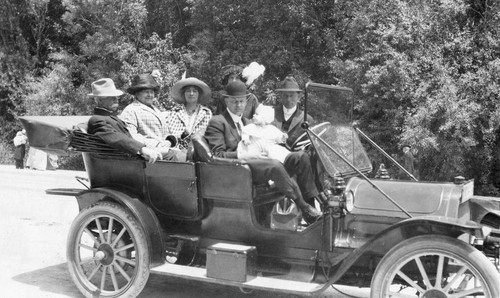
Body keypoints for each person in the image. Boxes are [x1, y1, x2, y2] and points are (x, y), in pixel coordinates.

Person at [204, 80, 322, 224]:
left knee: (300, 157)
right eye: (234, 101)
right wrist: (244, 155)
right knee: (275, 165)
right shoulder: (217, 121)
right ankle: (304, 207)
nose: (239, 105)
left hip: (258, 163)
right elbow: (216, 155)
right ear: (226, 101)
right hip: (237, 169)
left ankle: (316, 200)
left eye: (241, 101)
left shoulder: (248, 122)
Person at [86, 78, 163, 163]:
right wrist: (141, 149)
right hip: (124, 163)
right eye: (110, 97)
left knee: (174, 154)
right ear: (98, 100)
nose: (116, 99)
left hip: (132, 159)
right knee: (174, 155)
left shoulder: (111, 117)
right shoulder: (97, 120)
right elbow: (116, 138)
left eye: (115, 96)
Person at [120, 74, 183, 161]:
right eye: (146, 92)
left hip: (164, 150)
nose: (150, 95)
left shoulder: (156, 110)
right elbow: (131, 136)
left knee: (189, 155)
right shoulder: (131, 110)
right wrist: (155, 145)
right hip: (147, 154)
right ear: (136, 93)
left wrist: (169, 141)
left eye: (151, 92)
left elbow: (165, 132)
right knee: (180, 158)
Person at [167, 77, 212, 153]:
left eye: (194, 91)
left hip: (198, 151)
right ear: (183, 94)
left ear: (199, 94)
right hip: (177, 151)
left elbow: (208, 136)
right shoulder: (175, 112)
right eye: (188, 91)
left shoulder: (206, 113)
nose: (191, 94)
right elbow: (171, 134)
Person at [273, 76, 314, 149]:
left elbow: (310, 147)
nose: (288, 99)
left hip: (295, 158)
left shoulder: (307, 119)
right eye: (285, 96)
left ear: (299, 97)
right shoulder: (270, 114)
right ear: (281, 96)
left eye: (292, 96)